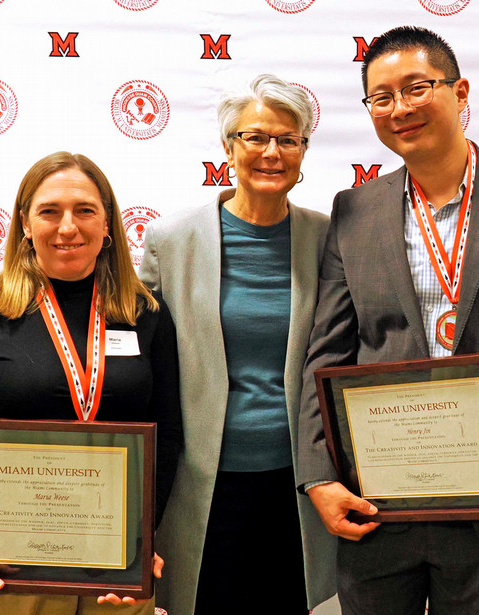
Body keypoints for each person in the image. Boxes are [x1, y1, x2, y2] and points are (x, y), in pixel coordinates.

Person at [296, 26, 479, 614]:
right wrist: (318, 475)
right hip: (375, 495)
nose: (400, 109)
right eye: (381, 97)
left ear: (459, 92)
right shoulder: (353, 209)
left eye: (416, 88)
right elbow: (326, 351)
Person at [0, 152, 183, 615]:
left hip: (114, 583)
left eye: (85, 210)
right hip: (3, 583)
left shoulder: (146, 315)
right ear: (24, 223)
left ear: (109, 224)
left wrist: (139, 548)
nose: (68, 227)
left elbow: (168, 437)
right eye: (49, 211)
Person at [138, 74, 335, 614]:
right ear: (229, 148)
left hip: (299, 484)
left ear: (302, 153)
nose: (271, 152)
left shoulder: (329, 237)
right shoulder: (170, 240)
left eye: (288, 140)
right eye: (255, 137)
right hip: (202, 482)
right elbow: (139, 358)